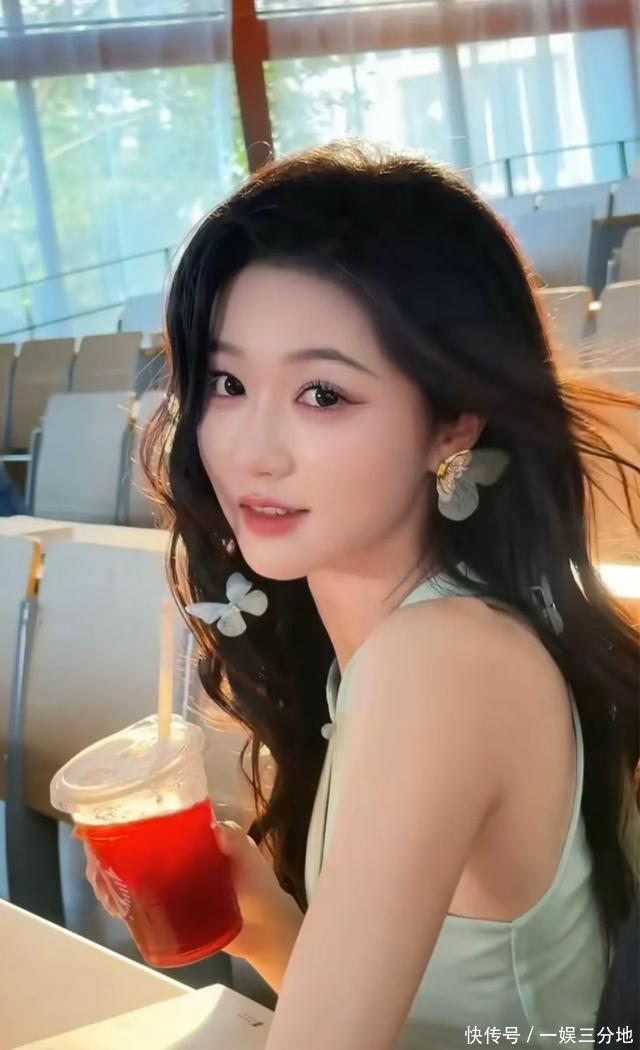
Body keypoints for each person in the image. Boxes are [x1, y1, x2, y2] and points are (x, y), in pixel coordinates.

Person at [88, 141, 639, 1049]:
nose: (253, 450)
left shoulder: (441, 666)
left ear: (452, 423)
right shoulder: (396, 646)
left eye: (322, 394)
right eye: (229, 383)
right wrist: (263, 923)